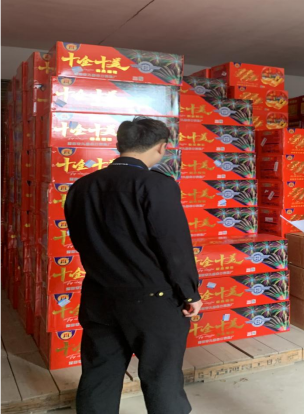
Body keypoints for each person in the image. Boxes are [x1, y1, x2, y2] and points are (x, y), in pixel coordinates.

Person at [65, 117, 202, 414]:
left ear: (119, 145)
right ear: (162, 147)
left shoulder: (82, 187)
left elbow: (79, 239)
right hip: (152, 302)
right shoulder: (156, 186)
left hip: (99, 297)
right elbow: (174, 246)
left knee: (99, 374)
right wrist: (190, 293)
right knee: (163, 378)